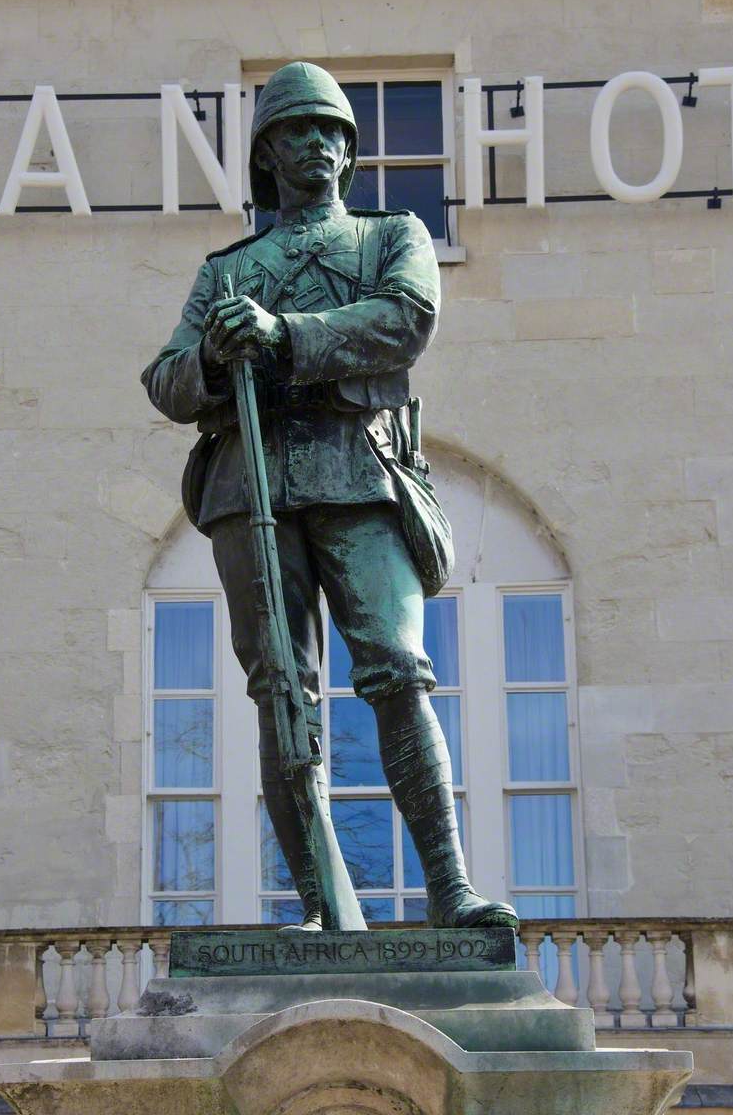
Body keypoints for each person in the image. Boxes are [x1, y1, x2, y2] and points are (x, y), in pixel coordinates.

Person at [141, 61, 518, 932]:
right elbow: (164, 381)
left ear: (348, 155)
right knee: (282, 689)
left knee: (395, 669)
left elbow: (403, 321)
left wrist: (281, 335)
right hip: (252, 484)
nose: (316, 144)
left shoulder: (392, 236)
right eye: (296, 131)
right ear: (267, 154)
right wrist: (207, 359)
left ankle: (450, 893)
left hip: (359, 469)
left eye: (331, 132)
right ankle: (322, 905)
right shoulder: (226, 270)